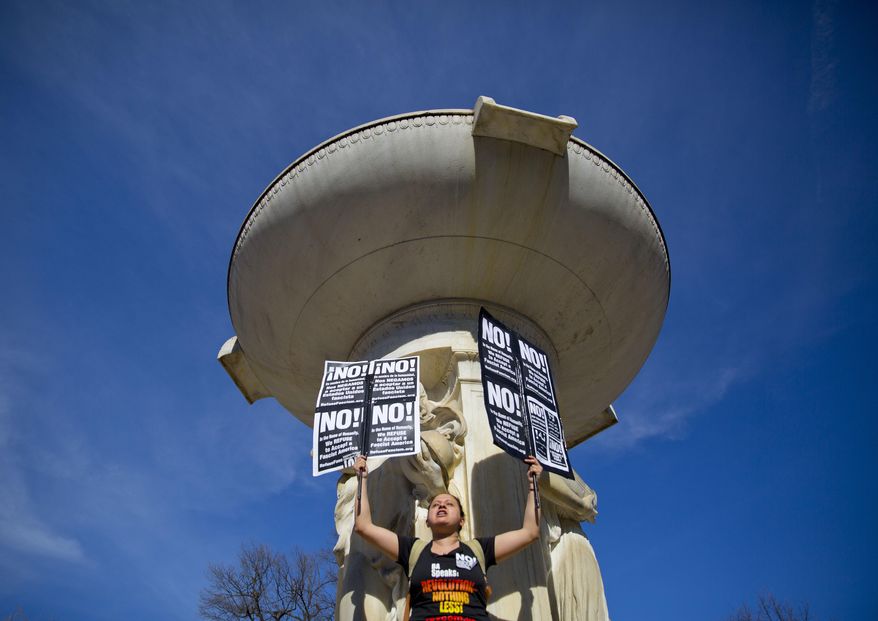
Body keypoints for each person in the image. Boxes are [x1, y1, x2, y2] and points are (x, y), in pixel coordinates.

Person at [354, 453, 543, 621]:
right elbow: (364, 526)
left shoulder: (479, 550)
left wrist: (533, 485)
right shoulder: (413, 551)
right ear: (427, 521)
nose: (442, 506)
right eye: (435, 505)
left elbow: (530, 532)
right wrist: (362, 480)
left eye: (449, 504)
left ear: (461, 521)